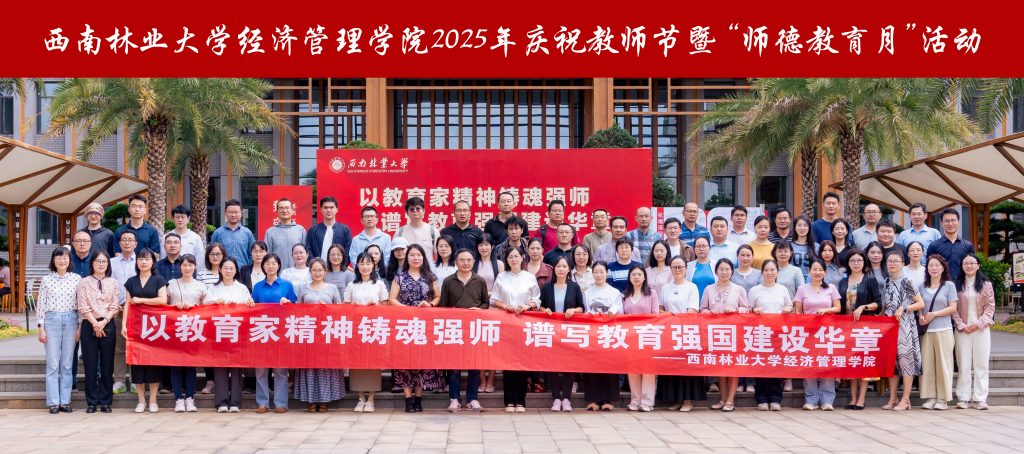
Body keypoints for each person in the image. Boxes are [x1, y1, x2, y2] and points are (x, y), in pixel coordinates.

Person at [388, 244, 444, 413]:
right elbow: (392, 299)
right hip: (405, 324)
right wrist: (406, 309)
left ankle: (418, 398)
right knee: (404, 362)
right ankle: (407, 398)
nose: (415, 258)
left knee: (421, 361)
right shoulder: (400, 277)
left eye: (418, 255)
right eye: (412, 255)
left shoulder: (430, 276)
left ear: (423, 257)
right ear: (407, 258)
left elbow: (438, 296)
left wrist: (430, 304)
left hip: (424, 325)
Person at [491, 247, 541, 412]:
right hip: (506, 323)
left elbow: (537, 300)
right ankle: (509, 401)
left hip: (524, 323)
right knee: (508, 363)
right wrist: (505, 306)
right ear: (506, 259)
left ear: (522, 257)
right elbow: (493, 300)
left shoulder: (529, 277)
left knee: (521, 362)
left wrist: (526, 306)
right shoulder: (501, 277)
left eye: (516, 256)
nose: (513, 259)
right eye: (510, 257)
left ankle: (520, 401)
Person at [439, 249, 489, 412]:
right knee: (454, 366)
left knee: (474, 365)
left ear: (473, 262)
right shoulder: (448, 281)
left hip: (474, 330)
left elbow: (485, 303)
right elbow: (443, 306)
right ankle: (454, 398)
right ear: (456, 262)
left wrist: (479, 309)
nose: (465, 263)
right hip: (455, 329)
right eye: (462, 260)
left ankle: (472, 399)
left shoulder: (480, 281)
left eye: (469, 260)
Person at [294, 258, 345, 413]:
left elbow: (340, 310)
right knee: (310, 366)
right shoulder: (303, 288)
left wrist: (328, 310)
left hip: (327, 333)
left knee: (325, 365)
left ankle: (324, 400)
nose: (317, 273)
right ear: (310, 272)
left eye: (320, 270)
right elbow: (297, 310)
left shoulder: (332, 288)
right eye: (314, 270)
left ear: (325, 271)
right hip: (308, 333)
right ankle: (311, 400)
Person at [121, 249, 167, 413]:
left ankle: (153, 400)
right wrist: (124, 325)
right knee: (137, 364)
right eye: (140, 259)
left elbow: (163, 300)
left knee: (153, 363)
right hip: (136, 327)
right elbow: (127, 304)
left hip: (154, 327)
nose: (143, 262)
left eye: (147, 259)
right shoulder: (131, 281)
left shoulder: (159, 280)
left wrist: (141, 300)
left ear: (153, 262)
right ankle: (141, 401)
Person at [656, 256, 705, 412]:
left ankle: (688, 401)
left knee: (687, 366)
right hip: (669, 332)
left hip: (687, 331)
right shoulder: (666, 288)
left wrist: (673, 316)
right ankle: (676, 399)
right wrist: (670, 315)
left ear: (686, 268)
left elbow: (692, 311)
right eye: (674, 267)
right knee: (673, 365)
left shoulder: (692, 287)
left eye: (680, 267)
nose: (677, 270)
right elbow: (660, 310)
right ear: (670, 269)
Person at [205, 257, 254, 413]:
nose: (228, 271)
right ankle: (221, 402)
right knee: (220, 367)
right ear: (220, 269)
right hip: (218, 332)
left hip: (237, 332)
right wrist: (214, 304)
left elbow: (249, 308)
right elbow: (204, 307)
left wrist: (245, 304)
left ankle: (235, 402)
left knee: (237, 368)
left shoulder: (242, 289)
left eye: (231, 268)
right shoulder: (213, 289)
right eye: (225, 268)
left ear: (236, 270)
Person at [343, 252, 390, 413]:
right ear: (357, 265)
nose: (365, 267)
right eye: (362, 263)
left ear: (373, 265)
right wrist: (352, 307)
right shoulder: (352, 285)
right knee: (356, 363)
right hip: (356, 330)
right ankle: (361, 398)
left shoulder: (379, 284)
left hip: (373, 329)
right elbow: (345, 307)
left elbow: (386, 308)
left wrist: (376, 306)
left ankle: (371, 399)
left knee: (373, 363)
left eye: (368, 263)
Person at [37, 248, 82, 414]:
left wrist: (80, 326)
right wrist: (41, 328)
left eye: (65, 258)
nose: (62, 261)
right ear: (53, 260)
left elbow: (80, 304)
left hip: (71, 320)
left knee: (67, 364)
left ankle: (65, 401)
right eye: (59, 257)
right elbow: (41, 304)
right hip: (52, 321)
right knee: (53, 363)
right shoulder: (46, 280)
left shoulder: (77, 279)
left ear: (70, 260)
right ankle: (53, 402)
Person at [699, 258, 748, 412]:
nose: (724, 272)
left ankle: (730, 401)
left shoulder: (738, 289)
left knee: (732, 367)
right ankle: (722, 399)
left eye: (727, 269)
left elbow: (746, 309)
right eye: (721, 269)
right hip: (716, 333)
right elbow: (702, 309)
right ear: (716, 271)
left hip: (734, 333)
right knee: (721, 366)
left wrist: (736, 310)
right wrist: (709, 312)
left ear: (732, 271)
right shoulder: (709, 289)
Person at [251, 253, 297, 414]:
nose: (270, 266)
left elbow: (295, 307)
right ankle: (262, 402)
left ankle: (281, 403)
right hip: (262, 331)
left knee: (281, 369)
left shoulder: (287, 285)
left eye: (273, 263)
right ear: (263, 266)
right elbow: (253, 307)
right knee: (261, 369)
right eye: (267, 263)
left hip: (281, 331)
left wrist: (288, 303)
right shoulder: (257, 286)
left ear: (279, 265)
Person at [793, 259, 841, 411]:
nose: (817, 272)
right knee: (809, 365)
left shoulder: (831, 288)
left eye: (820, 269)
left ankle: (827, 399)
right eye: (814, 269)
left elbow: (838, 308)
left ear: (825, 272)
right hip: (808, 332)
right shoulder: (802, 289)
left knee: (826, 364)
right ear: (809, 272)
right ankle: (811, 399)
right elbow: (798, 311)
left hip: (827, 332)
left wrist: (826, 310)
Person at [539, 256, 586, 412]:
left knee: (568, 365)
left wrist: (573, 310)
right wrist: (544, 310)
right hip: (551, 331)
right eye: (558, 266)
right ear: (554, 269)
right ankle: (555, 398)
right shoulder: (547, 287)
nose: (561, 269)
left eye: (564, 266)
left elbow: (582, 308)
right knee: (552, 365)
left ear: (568, 269)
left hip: (568, 332)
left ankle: (566, 398)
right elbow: (540, 306)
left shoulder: (574, 287)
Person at [836, 249, 881, 410]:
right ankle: (853, 399)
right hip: (847, 327)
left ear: (864, 262)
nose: (856, 263)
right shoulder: (843, 282)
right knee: (851, 364)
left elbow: (878, 303)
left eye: (859, 260)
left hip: (864, 327)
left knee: (863, 364)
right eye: (852, 261)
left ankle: (861, 399)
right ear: (848, 263)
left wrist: (863, 307)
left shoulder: (870, 279)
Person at [881, 250, 925, 411]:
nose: (892, 264)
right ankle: (893, 398)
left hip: (905, 327)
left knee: (906, 362)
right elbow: (886, 304)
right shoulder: (887, 281)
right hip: (890, 327)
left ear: (902, 263)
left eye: (896, 261)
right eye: (890, 261)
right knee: (892, 363)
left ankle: (906, 400)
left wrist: (904, 308)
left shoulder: (907, 281)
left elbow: (920, 303)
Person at [76, 252, 119, 414]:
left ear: (108, 264)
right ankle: (92, 401)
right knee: (90, 365)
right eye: (98, 261)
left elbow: (114, 305)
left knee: (107, 365)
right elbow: (82, 306)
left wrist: (103, 322)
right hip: (89, 324)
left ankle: (106, 401)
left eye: (104, 261)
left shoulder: (113, 282)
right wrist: (95, 324)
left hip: (107, 323)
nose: (101, 264)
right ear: (92, 263)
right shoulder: (84, 282)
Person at [747, 260, 793, 411]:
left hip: (778, 333)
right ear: (762, 272)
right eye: (766, 270)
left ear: (777, 272)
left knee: (776, 365)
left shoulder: (782, 289)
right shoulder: (754, 290)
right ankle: (761, 399)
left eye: (772, 270)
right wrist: (754, 310)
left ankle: (775, 399)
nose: (769, 273)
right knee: (761, 365)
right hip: (761, 333)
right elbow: (749, 309)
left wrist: (788, 309)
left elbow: (789, 306)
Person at [952, 254, 995, 410]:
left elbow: (990, 307)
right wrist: (961, 325)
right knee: (963, 364)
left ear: (978, 265)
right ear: (962, 266)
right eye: (966, 263)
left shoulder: (986, 284)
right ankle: (963, 397)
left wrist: (978, 324)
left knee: (981, 364)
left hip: (981, 329)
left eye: (972, 263)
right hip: (962, 329)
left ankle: (980, 398)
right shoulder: (956, 284)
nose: (969, 266)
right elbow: (953, 308)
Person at [917, 254, 958, 411]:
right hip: (927, 331)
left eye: (937, 265)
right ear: (927, 268)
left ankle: (943, 399)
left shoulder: (949, 285)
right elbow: (920, 306)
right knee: (927, 365)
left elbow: (953, 308)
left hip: (944, 330)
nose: (934, 268)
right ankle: (930, 396)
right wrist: (921, 316)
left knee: (943, 365)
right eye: (931, 265)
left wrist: (934, 314)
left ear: (943, 267)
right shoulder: (922, 286)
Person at [166, 254, 207, 413]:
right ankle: (178, 398)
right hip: (175, 328)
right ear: (179, 267)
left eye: (190, 265)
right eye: (184, 265)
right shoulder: (171, 284)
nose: (187, 268)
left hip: (194, 329)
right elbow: (164, 305)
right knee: (175, 365)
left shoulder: (201, 286)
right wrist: (175, 306)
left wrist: (194, 307)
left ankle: (190, 398)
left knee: (190, 365)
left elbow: (206, 308)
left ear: (195, 267)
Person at [582, 261, 624, 411]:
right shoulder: (587, 292)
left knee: (609, 366)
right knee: (591, 365)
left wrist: (614, 310)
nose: (599, 275)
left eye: (602, 272)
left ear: (607, 273)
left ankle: (608, 400)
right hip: (592, 333)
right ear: (592, 273)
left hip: (609, 333)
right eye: (596, 272)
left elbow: (621, 311)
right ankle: (593, 400)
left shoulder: (614, 292)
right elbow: (585, 311)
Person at [622, 265, 659, 412]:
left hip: (647, 336)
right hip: (630, 337)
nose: (636, 277)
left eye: (639, 274)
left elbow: (655, 315)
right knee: (633, 370)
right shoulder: (624, 295)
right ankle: (635, 400)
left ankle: (647, 401)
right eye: (633, 274)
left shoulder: (652, 294)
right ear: (629, 278)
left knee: (648, 370)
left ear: (644, 277)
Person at [110, 231, 137, 395]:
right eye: (124, 240)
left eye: (130, 240)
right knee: (119, 347)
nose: (127, 242)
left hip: (136, 311)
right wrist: (115, 305)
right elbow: (108, 285)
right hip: (117, 309)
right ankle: (119, 380)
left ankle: (135, 380)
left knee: (135, 346)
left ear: (136, 244)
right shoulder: (111, 263)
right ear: (119, 243)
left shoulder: (141, 261)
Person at [926, 208, 976, 281]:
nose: (950, 224)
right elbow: (929, 267)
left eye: (953, 220)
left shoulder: (967, 245)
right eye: (947, 221)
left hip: (962, 284)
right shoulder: (934, 245)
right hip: (941, 284)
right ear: (942, 223)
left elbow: (973, 266)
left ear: (958, 222)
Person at [211, 199, 257, 267]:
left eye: (236, 212)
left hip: (243, 271)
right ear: (225, 213)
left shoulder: (247, 233)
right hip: (223, 270)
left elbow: (253, 254)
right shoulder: (217, 233)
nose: (233, 215)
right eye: (230, 212)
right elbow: (212, 254)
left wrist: (247, 269)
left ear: (241, 213)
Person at [306, 196, 353, 262]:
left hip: (339, 267)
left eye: (331, 207)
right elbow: (308, 250)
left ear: (336, 209)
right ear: (321, 210)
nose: (328, 210)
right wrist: (315, 264)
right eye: (325, 208)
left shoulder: (345, 230)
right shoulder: (313, 230)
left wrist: (342, 266)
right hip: (318, 267)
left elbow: (348, 251)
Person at [264, 198, 307, 269]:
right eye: (281, 208)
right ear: (277, 211)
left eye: (287, 208)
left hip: (297, 272)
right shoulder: (270, 232)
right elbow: (267, 256)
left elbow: (306, 253)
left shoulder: (301, 230)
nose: (284, 210)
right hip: (277, 272)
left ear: (292, 210)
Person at [162, 205, 206, 272]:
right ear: (173, 219)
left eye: (182, 217)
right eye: (177, 217)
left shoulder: (195, 238)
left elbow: (200, 260)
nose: (180, 220)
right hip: (169, 272)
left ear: (188, 218)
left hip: (190, 273)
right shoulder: (166, 237)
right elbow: (162, 257)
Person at [687, 237, 716, 301]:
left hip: (712, 303)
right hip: (693, 303)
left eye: (704, 246)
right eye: (698, 246)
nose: (701, 249)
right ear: (694, 249)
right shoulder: (688, 267)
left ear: (710, 248)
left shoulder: (716, 265)